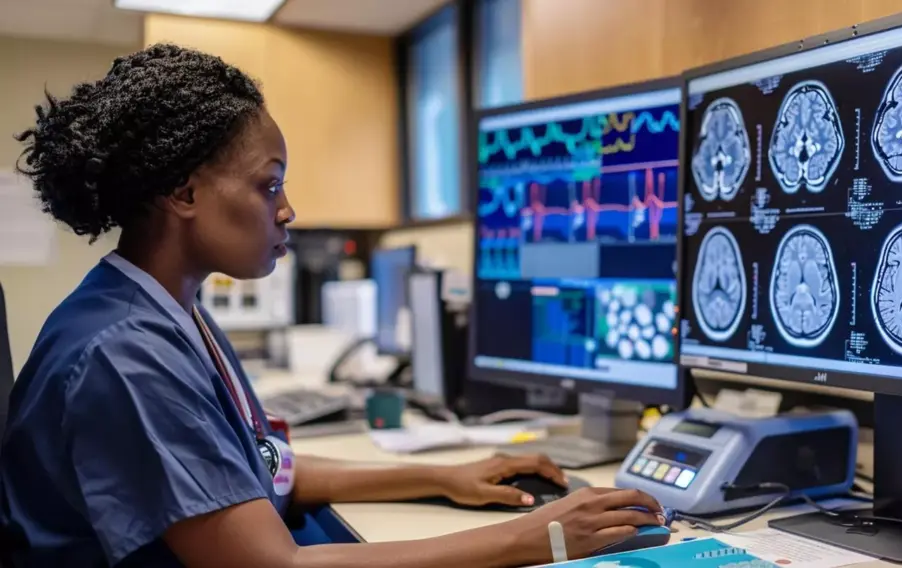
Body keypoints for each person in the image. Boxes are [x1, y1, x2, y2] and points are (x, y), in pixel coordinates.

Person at [0, 44, 664, 568]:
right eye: (270, 185)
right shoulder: (123, 354)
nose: (287, 210)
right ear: (184, 192)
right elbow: (273, 565)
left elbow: (260, 470)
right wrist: (536, 538)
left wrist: (444, 474)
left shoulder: (166, 311)